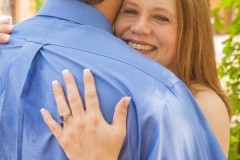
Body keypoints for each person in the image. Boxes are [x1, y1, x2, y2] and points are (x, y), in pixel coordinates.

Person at [0, 0, 228, 160]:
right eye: (130, 12)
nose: (139, 28)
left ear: (190, 32)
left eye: (160, 17)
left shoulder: (198, 104)